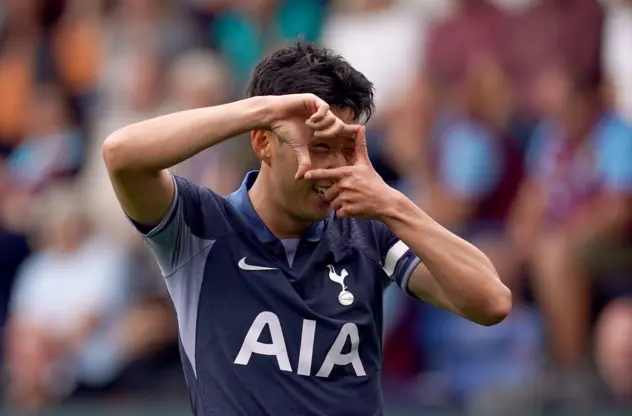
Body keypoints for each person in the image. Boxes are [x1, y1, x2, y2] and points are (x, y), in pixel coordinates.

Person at [102, 41, 511, 416]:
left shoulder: (367, 230)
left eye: (345, 148)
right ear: (263, 142)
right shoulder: (201, 228)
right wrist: (263, 110)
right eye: (318, 147)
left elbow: (491, 301)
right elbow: (121, 154)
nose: (334, 168)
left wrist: (391, 203)